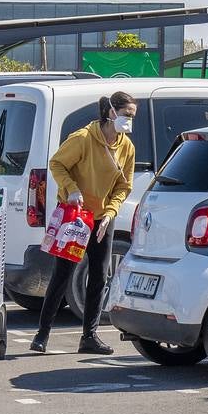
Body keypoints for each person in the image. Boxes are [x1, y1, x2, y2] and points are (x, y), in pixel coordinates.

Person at [31, 91, 137, 355]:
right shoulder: (83, 138)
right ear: (111, 112)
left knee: (99, 276)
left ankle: (89, 336)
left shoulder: (127, 147)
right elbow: (57, 164)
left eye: (133, 116)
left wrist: (111, 212)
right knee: (63, 274)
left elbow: (125, 185)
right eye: (126, 115)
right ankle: (42, 334)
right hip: (75, 216)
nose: (129, 121)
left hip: (102, 218)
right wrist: (72, 189)